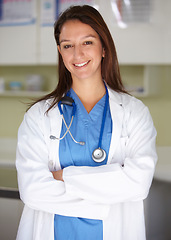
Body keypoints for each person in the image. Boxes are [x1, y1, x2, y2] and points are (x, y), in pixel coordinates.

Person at [16, 5, 157, 240]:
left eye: (87, 42)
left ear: (104, 48)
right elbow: (32, 191)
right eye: (67, 45)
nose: (77, 54)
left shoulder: (134, 113)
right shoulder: (39, 116)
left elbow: (138, 183)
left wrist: (63, 176)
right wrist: (104, 201)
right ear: (60, 52)